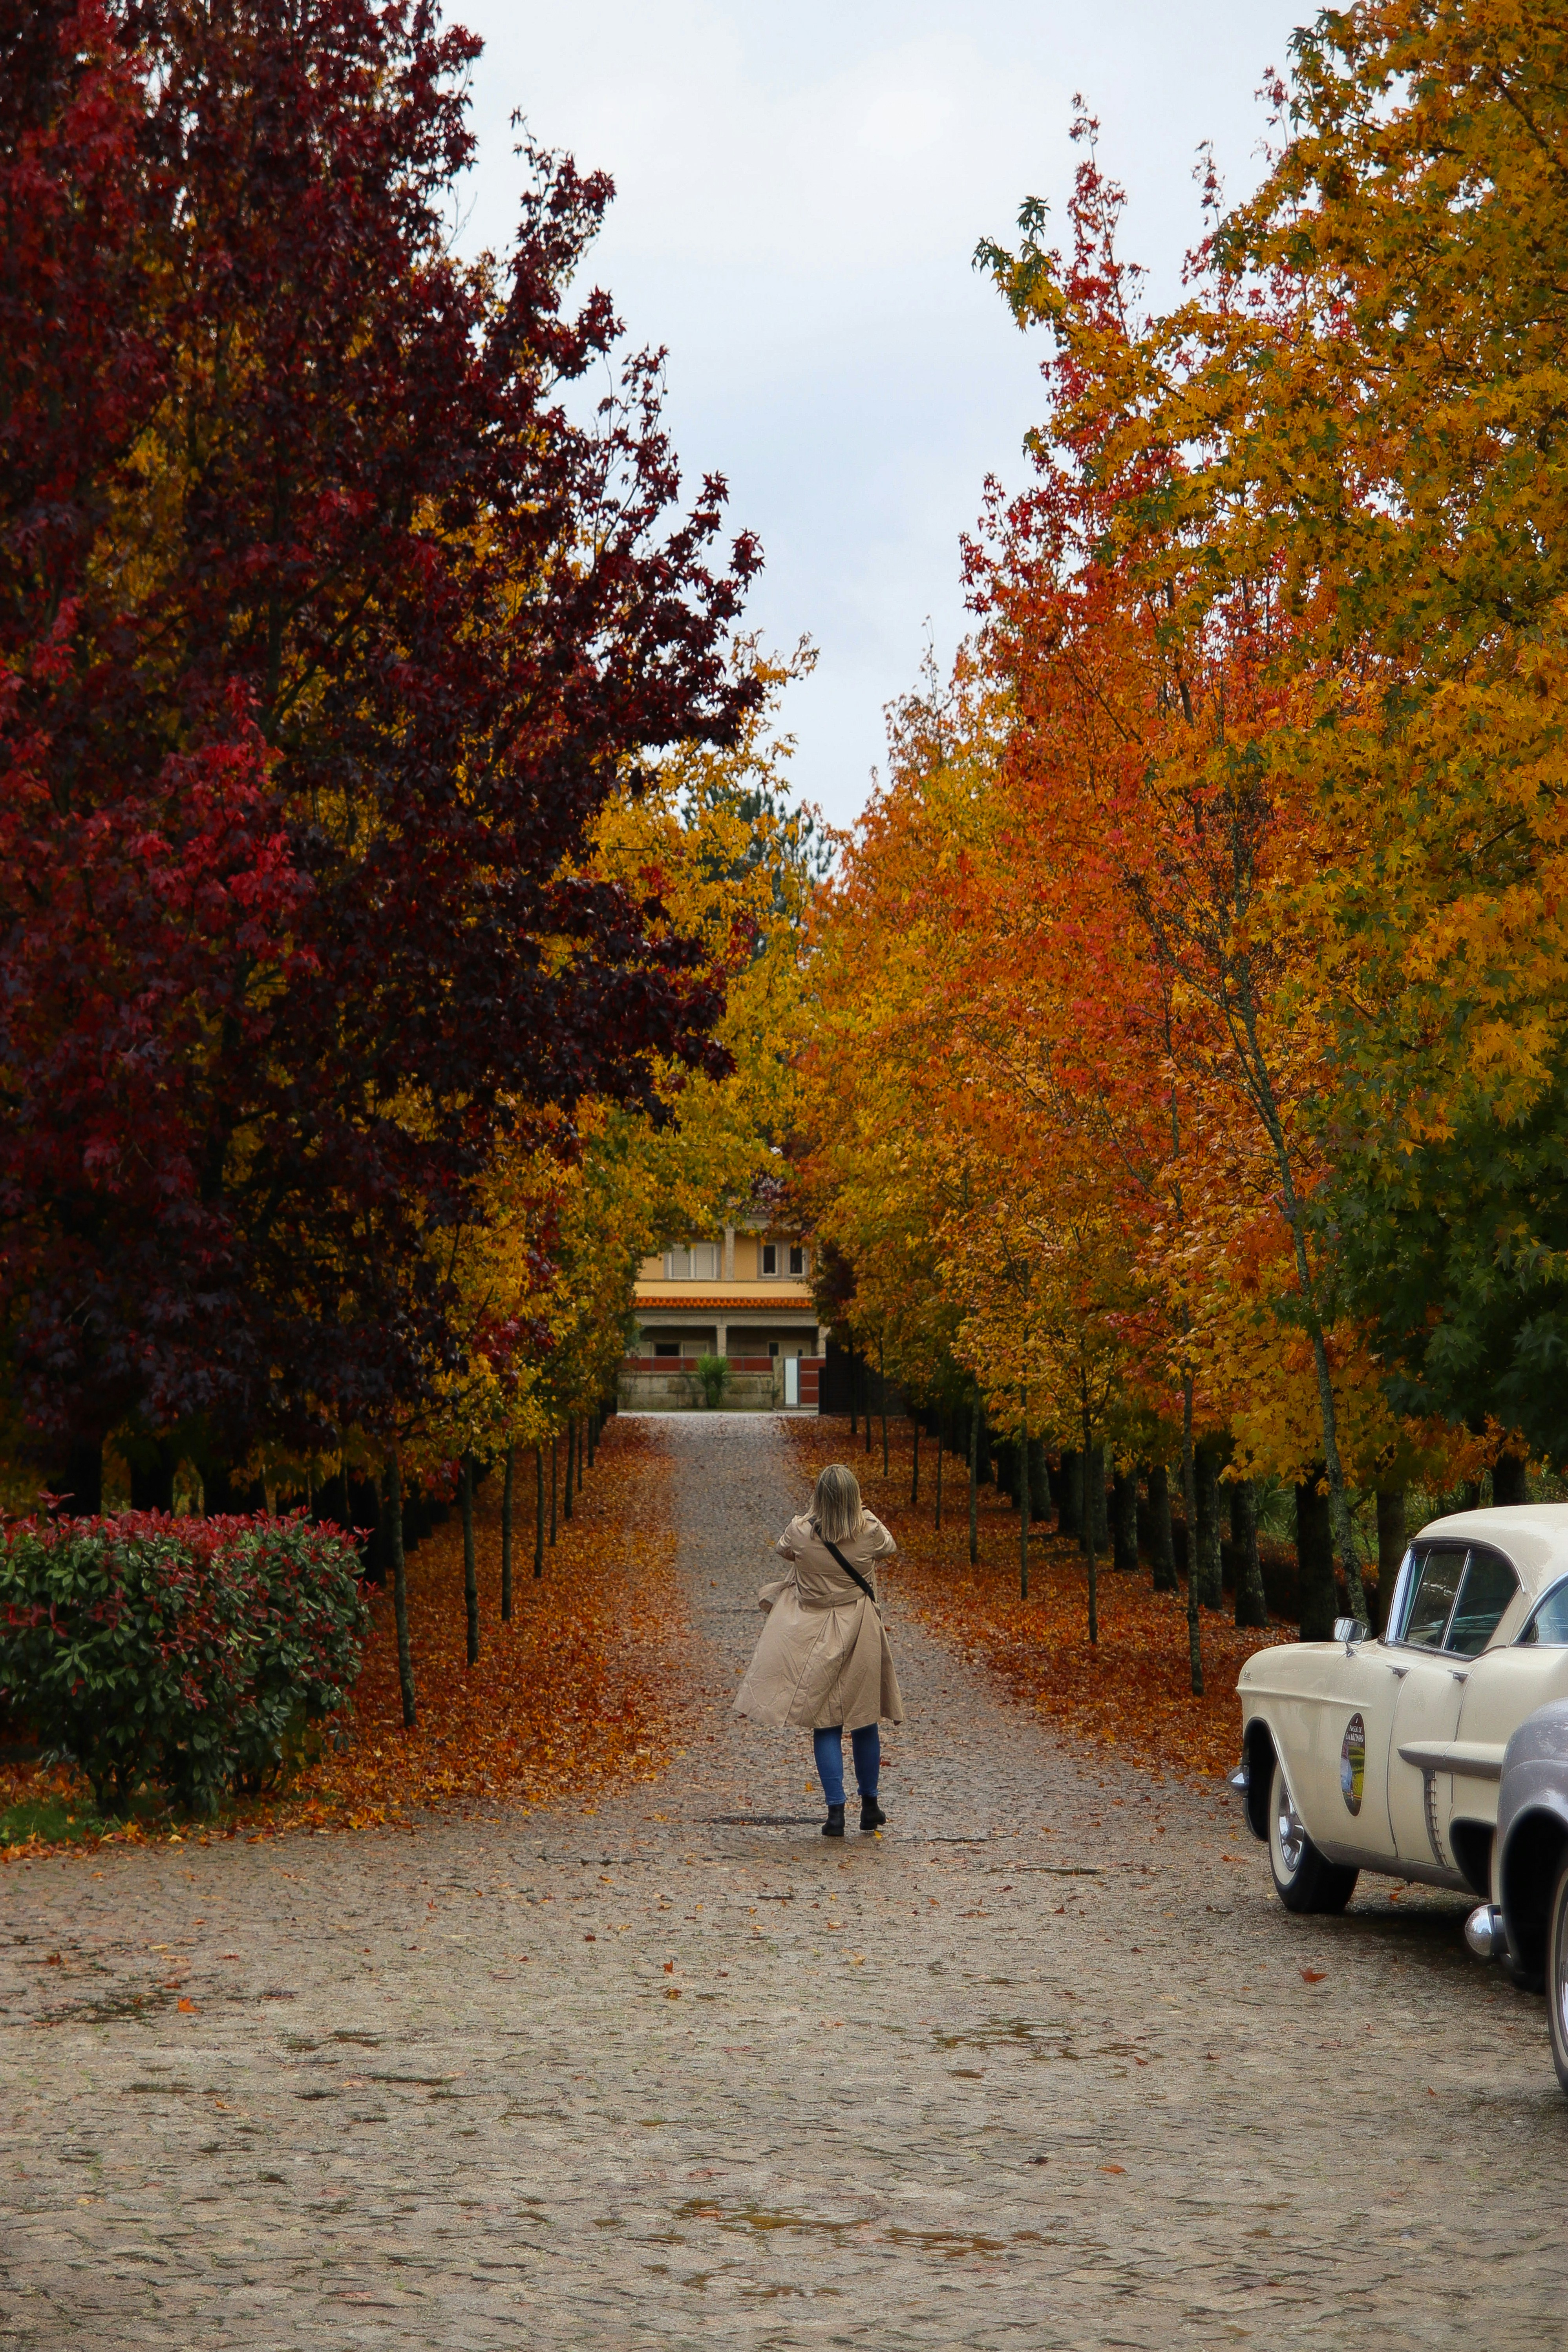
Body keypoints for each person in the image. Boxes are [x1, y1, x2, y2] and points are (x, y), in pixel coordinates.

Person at [733, 1462, 905, 1837]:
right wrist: (863, 1514)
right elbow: (890, 1547)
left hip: (815, 1636)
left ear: (819, 1498)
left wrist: (812, 1516)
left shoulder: (801, 1531)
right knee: (864, 1718)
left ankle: (835, 1812)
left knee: (825, 1722)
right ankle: (871, 1805)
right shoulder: (869, 1532)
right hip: (860, 1630)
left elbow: (783, 1549)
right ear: (855, 1498)